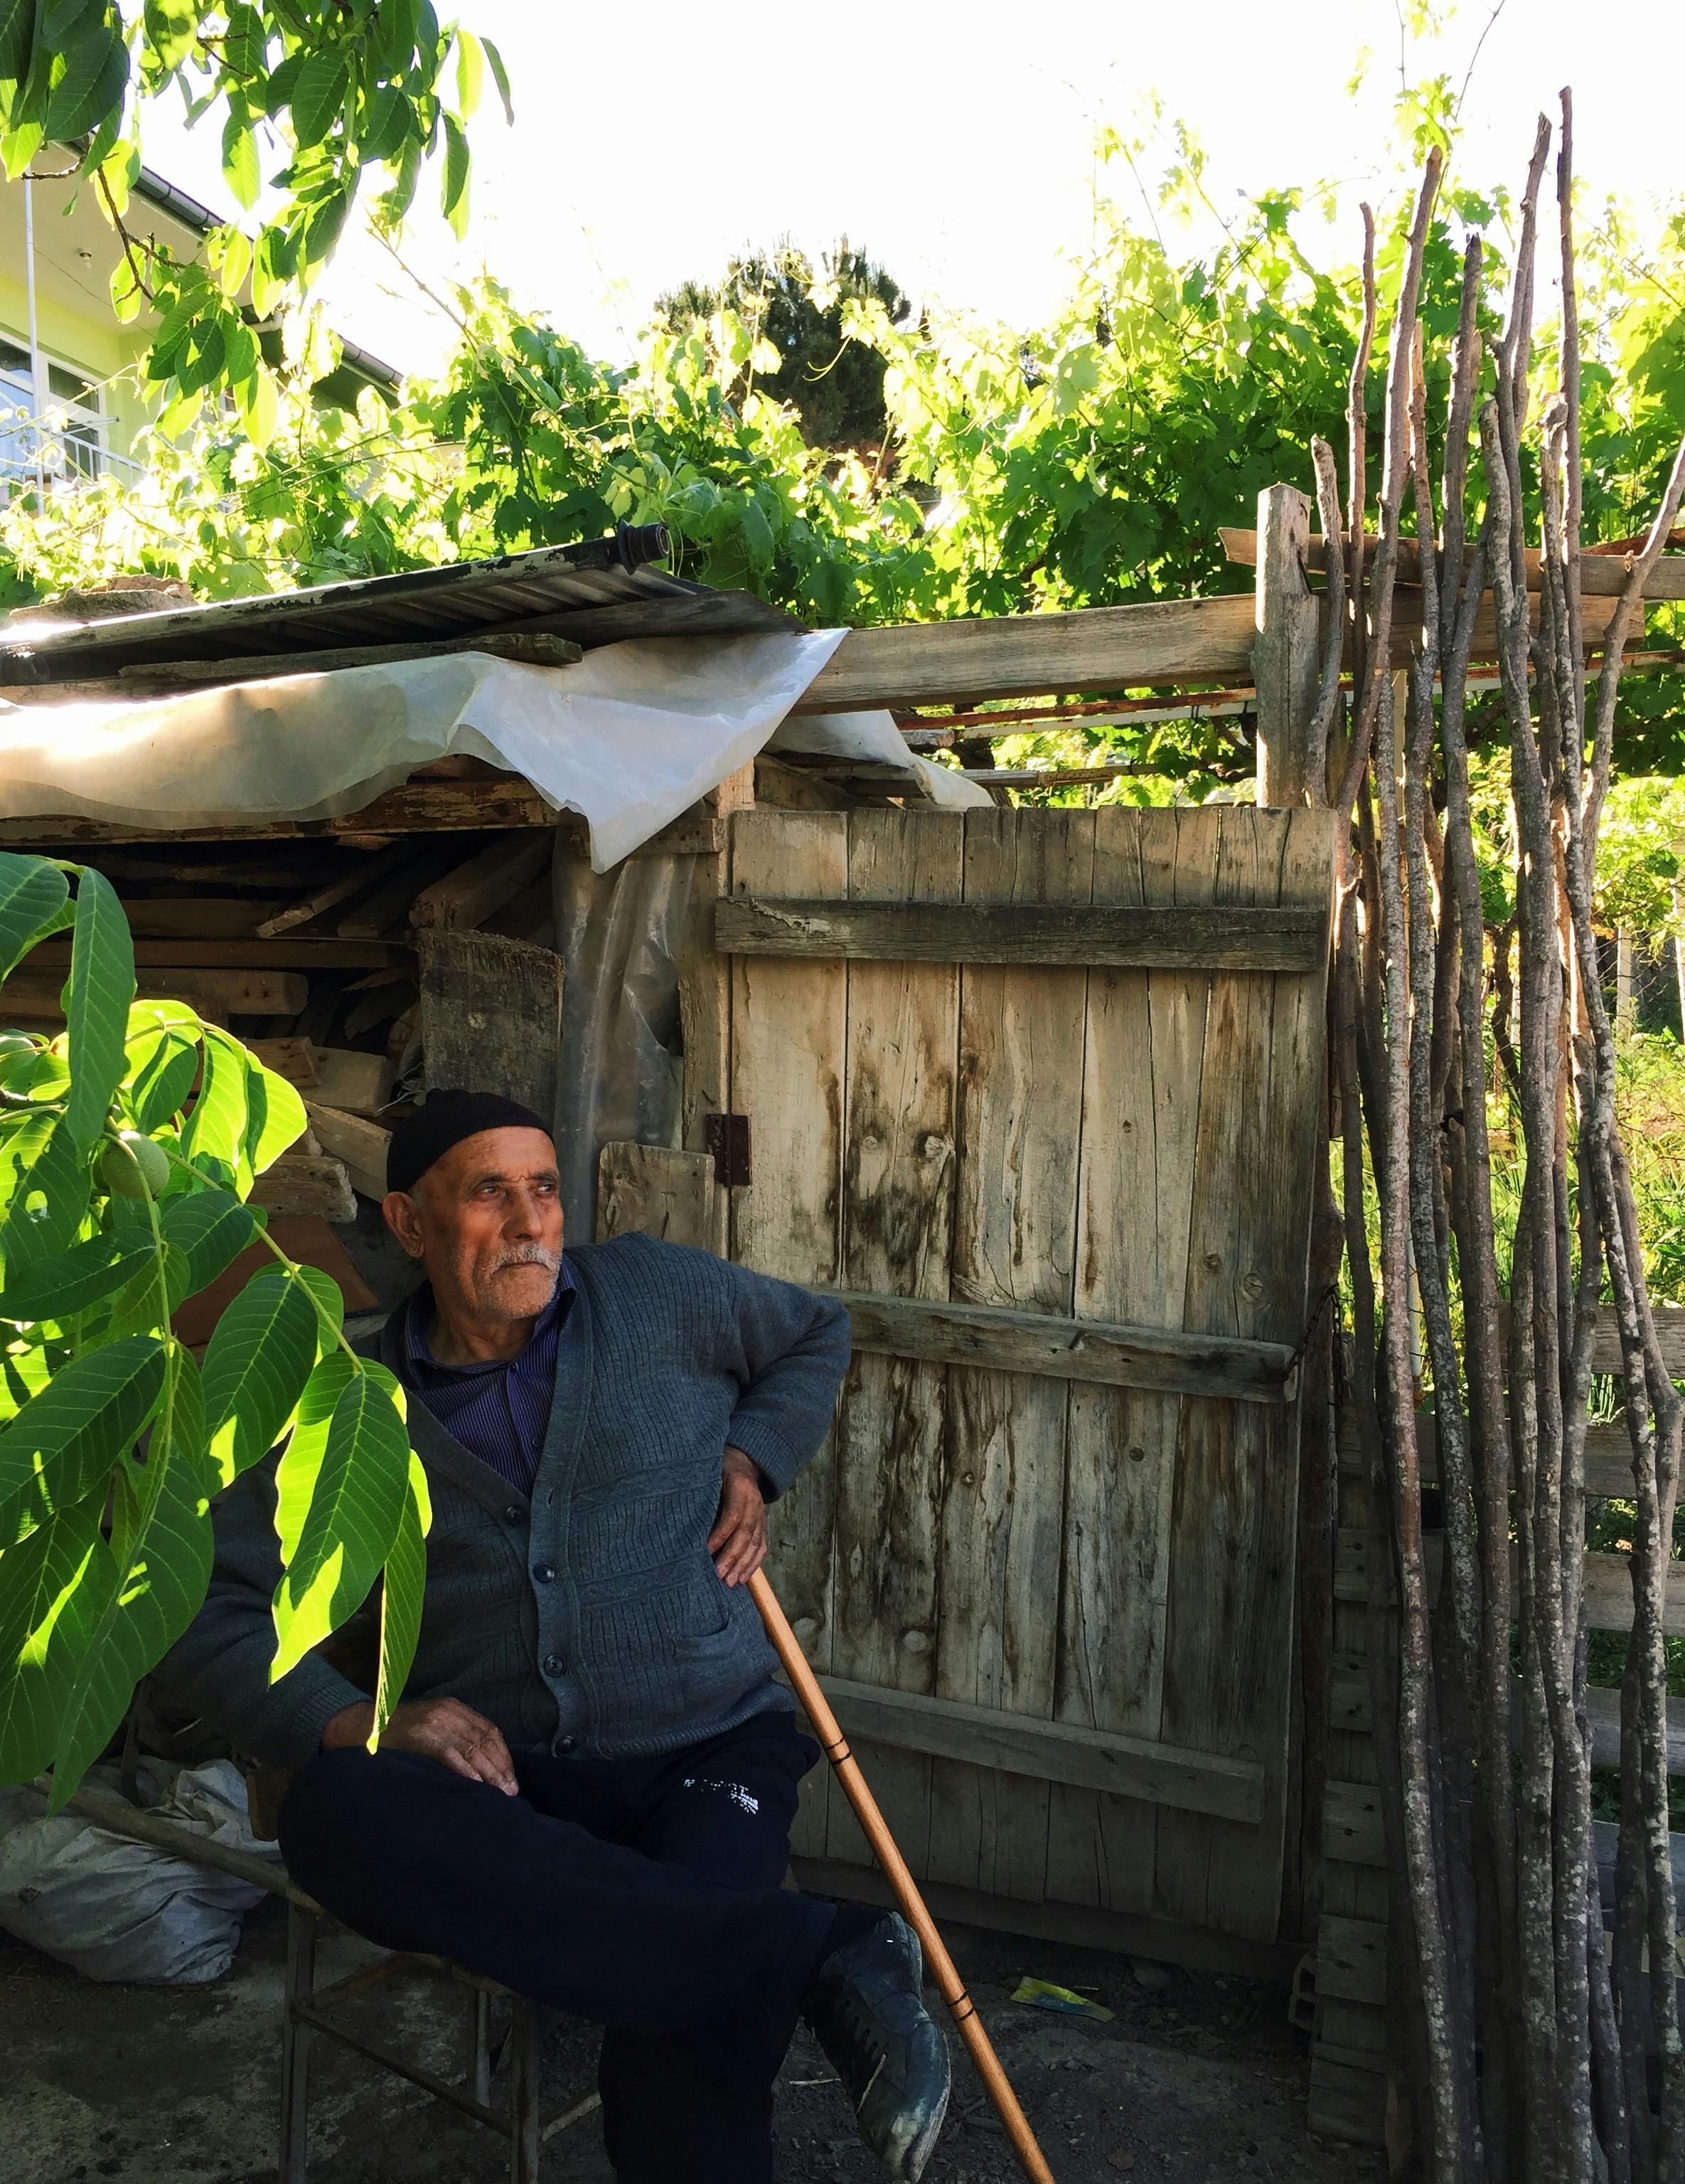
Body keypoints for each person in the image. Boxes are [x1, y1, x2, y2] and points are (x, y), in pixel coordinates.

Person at [161, 1089, 951, 2183]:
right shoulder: (342, 1396)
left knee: (685, 2016)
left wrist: (751, 1458)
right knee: (339, 1809)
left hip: (711, 1744)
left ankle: (743, 1954)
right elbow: (209, 1610)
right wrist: (354, 1719)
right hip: (508, 1777)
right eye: (489, 1193)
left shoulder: (659, 1296)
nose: (531, 1221)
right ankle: (817, 1955)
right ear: (407, 1224)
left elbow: (815, 1332)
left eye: (543, 1189)